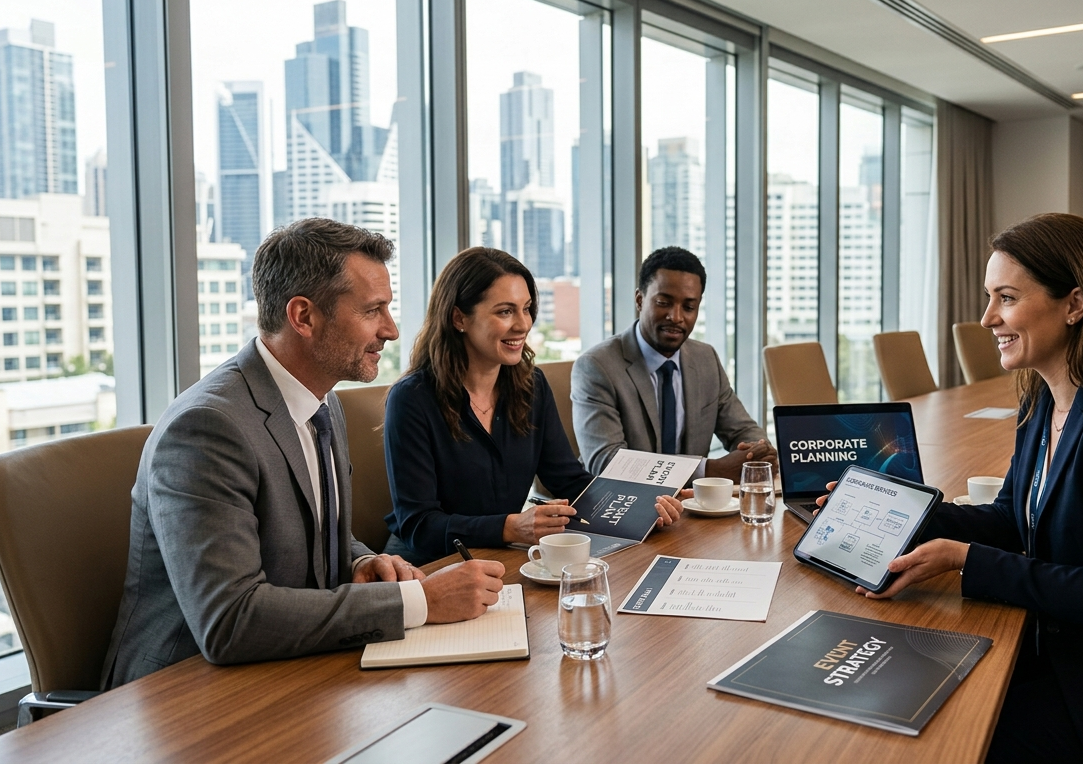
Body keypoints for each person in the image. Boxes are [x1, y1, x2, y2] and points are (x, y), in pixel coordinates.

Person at [818, 213, 1083, 763]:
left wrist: (963, 559)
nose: (986, 318)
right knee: (902, 703)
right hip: (1073, 653)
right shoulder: (1044, 399)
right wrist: (901, 509)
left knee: (950, 741)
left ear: (1074, 304)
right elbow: (1011, 520)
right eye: (988, 297)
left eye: (1005, 297)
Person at [102, 219, 505, 689]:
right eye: (373, 310)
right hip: (182, 696)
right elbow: (230, 620)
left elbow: (310, 525)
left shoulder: (320, 399)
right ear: (303, 316)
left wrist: (359, 560)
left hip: (293, 668)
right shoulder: (206, 428)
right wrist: (422, 602)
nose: (391, 330)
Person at [382, 247, 684, 565]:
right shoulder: (412, 399)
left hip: (499, 557)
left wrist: (644, 504)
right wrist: (509, 527)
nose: (523, 324)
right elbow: (419, 525)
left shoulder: (531, 385)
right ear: (459, 318)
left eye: (526, 309)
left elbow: (568, 480)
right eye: (505, 312)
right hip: (427, 567)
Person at [572, 246, 777, 481]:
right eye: (663, 303)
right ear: (640, 300)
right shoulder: (597, 367)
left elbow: (742, 430)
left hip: (694, 506)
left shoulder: (705, 359)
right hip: (621, 507)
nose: (676, 317)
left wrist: (758, 453)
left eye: (689, 307)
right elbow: (606, 462)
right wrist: (708, 470)